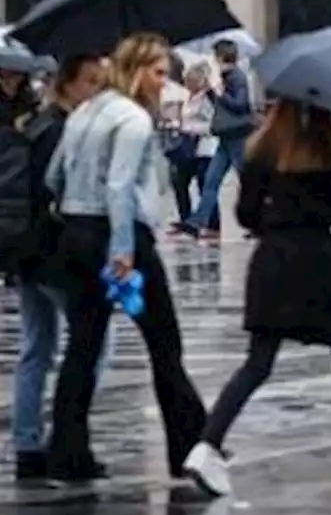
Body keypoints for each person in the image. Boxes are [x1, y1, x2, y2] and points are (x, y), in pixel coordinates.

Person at [182, 99, 331, 496]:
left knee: (257, 363)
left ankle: (206, 445)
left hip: (271, 264)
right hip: (319, 266)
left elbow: (246, 216)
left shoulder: (260, 151)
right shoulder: (326, 153)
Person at [44, 33, 207, 481]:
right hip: (121, 237)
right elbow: (119, 187)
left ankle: (67, 450)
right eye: (157, 73)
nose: (163, 83)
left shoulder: (84, 111)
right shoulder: (133, 120)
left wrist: (73, 215)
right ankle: (189, 446)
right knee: (164, 343)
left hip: (76, 233)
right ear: (136, 72)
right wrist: (122, 251)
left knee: (83, 344)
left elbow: (54, 174)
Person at [10, 54, 114, 480]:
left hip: (26, 254)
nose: (96, 91)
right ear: (67, 84)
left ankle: (27, 444)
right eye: (90, 81)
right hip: (60, 254)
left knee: (36, 349)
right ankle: (66, 439)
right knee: (91, 347)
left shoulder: (34, 125)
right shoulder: (64, 130)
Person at [180, 40, 253, 239]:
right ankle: (198, 221)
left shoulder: (237, 77)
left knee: (247, 179)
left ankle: (260, 221)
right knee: (212, 180)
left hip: (237, 135)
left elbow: (241, 104)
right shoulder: (224, 77)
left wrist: (219, 92)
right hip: (226, 135)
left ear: (221, 57)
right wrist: (212, 90)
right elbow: (220, 107)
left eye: (215, 57)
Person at [167, 64, 220, 234]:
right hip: (188, 150)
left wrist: (188, 128)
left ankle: (213, 223)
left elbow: (213, 125)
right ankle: (186, 218)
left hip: (205, 148)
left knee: (205, 185)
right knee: (179, 181)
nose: (187, 84)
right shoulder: (188, 98)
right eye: (186, 80)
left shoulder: (208, 99)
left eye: (190, 81)